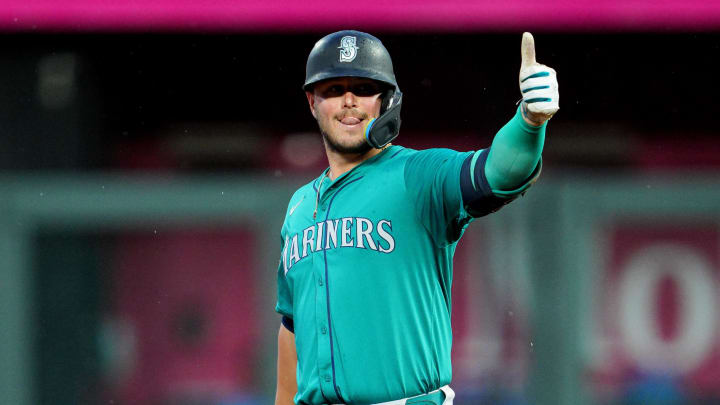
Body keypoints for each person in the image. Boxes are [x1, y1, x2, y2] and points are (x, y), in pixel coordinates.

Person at [274, 30, 559, 405]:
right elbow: (292, 329)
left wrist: (529, 122)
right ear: (312, 102)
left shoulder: (417, 176)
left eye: (363, 88)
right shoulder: (297, 208)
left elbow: (499, 171)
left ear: (386, 101)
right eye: (332, 89)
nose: (348, 101)